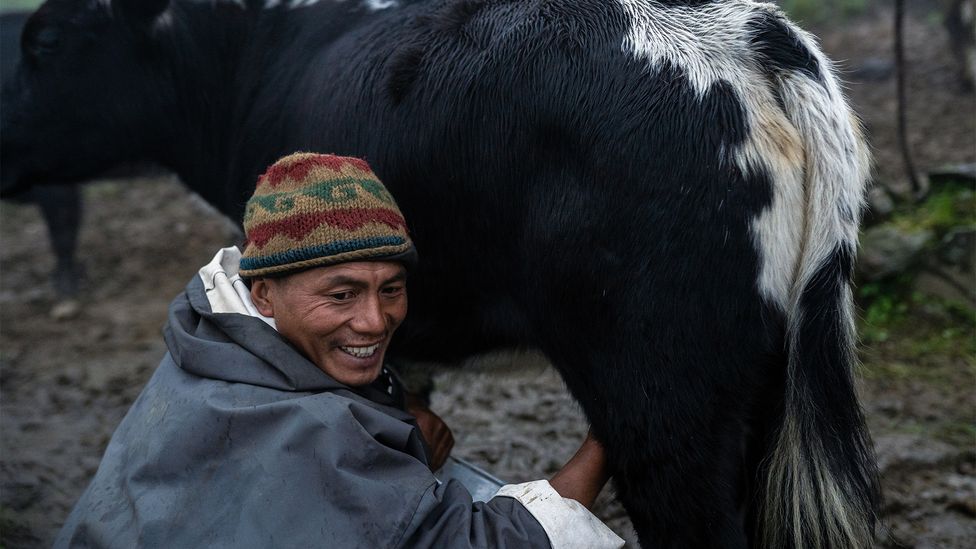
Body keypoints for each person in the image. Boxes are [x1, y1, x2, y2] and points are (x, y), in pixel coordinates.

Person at [55, 153, 625, 548]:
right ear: (265, 293)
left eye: (392, 289)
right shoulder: (315, 434)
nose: (376, 321)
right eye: (341, 294)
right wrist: (610, 433)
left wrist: (381, 422)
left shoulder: (207, 345)